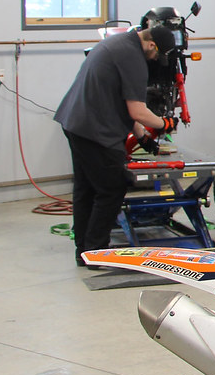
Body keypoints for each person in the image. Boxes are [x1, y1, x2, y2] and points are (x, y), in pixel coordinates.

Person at [55, 25, 179, 267]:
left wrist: (142, 137)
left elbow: (121, 101)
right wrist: (165, 123)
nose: (156, 59)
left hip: (74, 122)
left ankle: (84, 251)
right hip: (93, 130)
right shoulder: (134, 59)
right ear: (152, 45)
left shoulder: (119, 43)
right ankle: (97, 251)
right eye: (157, 55)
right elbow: (137, 110)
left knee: (86, 189)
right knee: (112, 188)